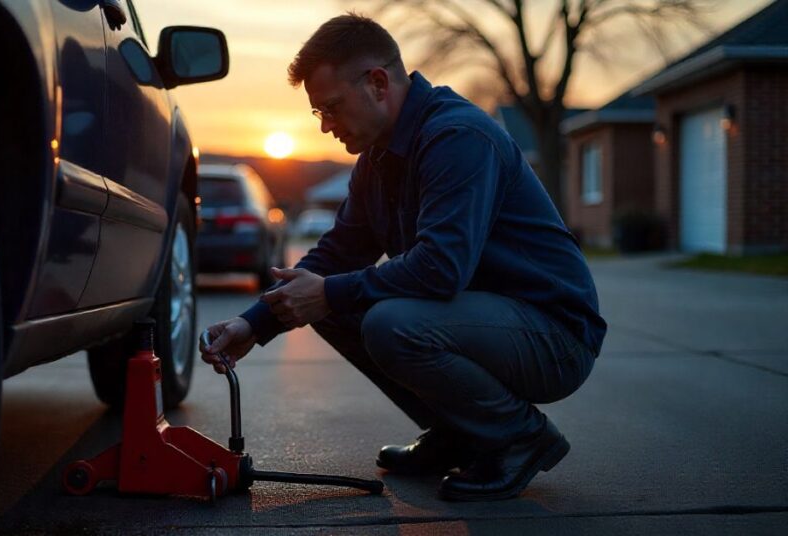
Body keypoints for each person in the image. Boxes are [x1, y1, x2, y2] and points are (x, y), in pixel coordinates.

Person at [200, 12, 606, 501]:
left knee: (386, 321)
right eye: (318, 114)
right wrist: (255, 322)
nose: (326, 126)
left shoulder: (458, 137)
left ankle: (519, 436)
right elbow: (338, 253)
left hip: (553, 335)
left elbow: (442, 268)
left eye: (331, 107)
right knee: (331, 302)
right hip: (483, 321)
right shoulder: (376, 159)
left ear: (377, 83)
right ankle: (459, 432)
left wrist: (328, 291)